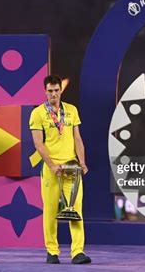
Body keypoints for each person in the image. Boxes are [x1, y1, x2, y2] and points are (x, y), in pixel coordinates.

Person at [29, 75, 91, 264]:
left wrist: (82, 162)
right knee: (50, 210)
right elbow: (38, 144)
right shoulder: (38, 113)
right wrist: (51, 165)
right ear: (45, 91)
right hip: (51, 168)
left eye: (56, 90)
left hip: (71, 167)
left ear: (61, 90)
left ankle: (78, 252)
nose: (53, 94)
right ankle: (52, 251)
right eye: (50, 91)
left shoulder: (71, 110)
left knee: (75, 208)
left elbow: (77, 138)